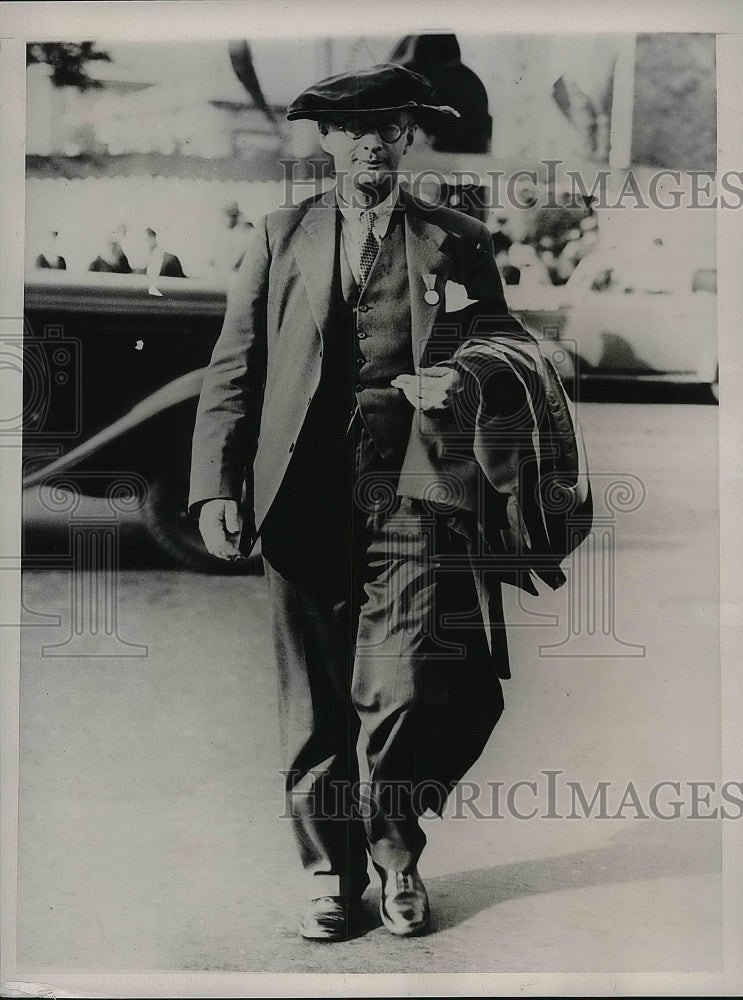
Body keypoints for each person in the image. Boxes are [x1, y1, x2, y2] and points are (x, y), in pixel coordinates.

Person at [189, 64, 544, 942]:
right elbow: (234, 372)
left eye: (386, 127)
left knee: (408, 686)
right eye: (351, 131)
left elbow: (509, 357)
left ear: (408, 139)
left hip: (413, 495)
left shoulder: (457, 239)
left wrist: (459, 381)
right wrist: (212, 486)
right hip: (299, 498)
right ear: (326, 143)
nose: (369, 144)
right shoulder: (278, 236)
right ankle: (327, 876)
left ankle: (395, 853)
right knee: (313, 702)